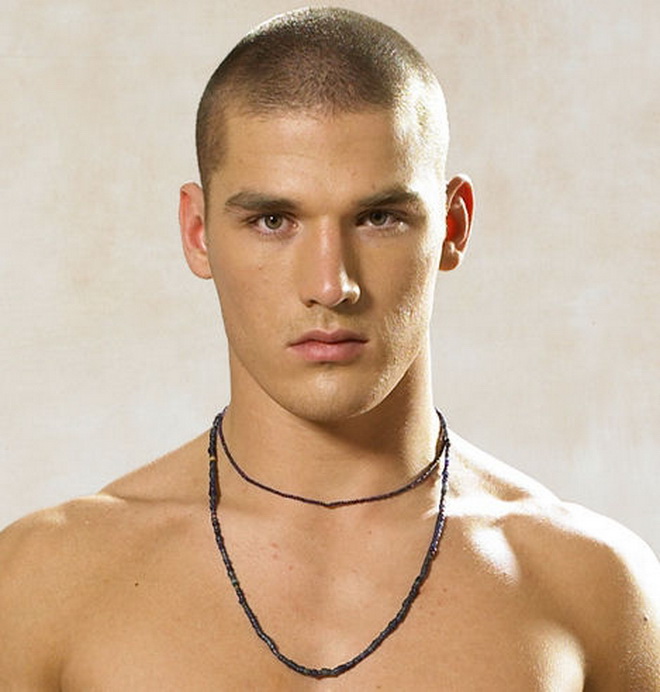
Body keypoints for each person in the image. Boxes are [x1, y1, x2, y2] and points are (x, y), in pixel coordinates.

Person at [1, 7, 658, 689]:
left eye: (379, 217)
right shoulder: (44, 583)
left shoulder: (593, 590)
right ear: (197, 233)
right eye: (272, 220)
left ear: (452, 226)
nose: (330, 284)